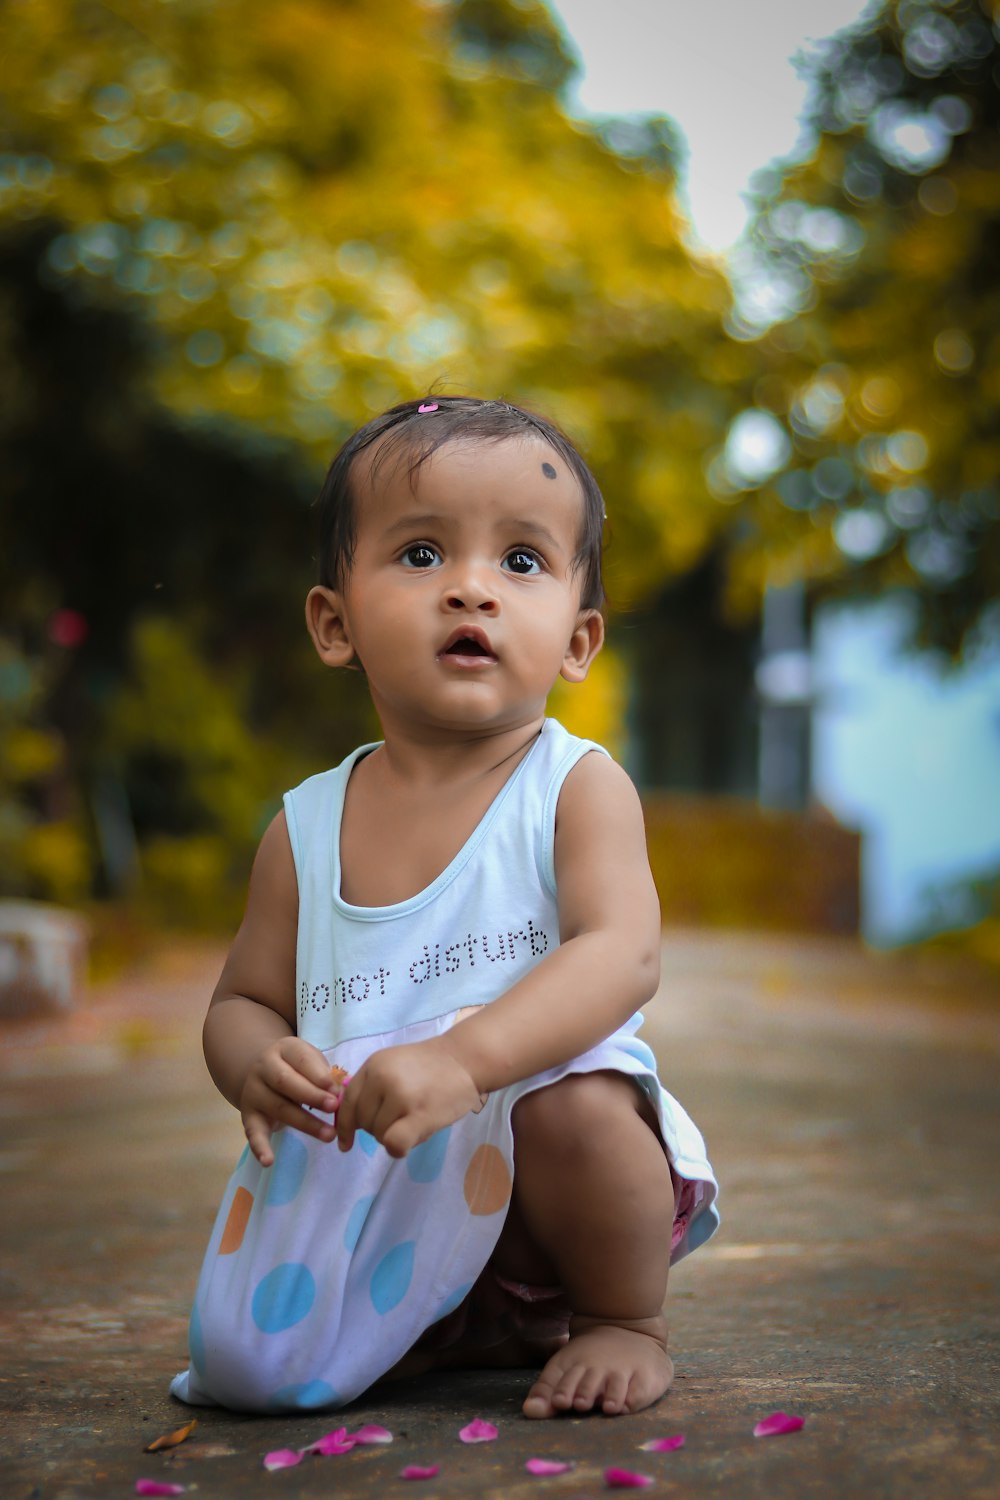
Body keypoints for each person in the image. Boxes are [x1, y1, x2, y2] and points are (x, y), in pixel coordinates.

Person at [170, 395, 718, 1422]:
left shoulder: (574, 787)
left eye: (521, 562)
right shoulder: (305, 828)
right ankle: (454, 1322)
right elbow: (241, 1000)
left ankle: (616, 1317)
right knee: (242, 1369)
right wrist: (254, 1060)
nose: (471, 587)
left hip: (546, 1157)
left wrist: (467, 1061)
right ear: (335, 623)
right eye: (421, 555)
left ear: (577, 641)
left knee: (577, 1103)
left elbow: (623, 955)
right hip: (382, 1173)